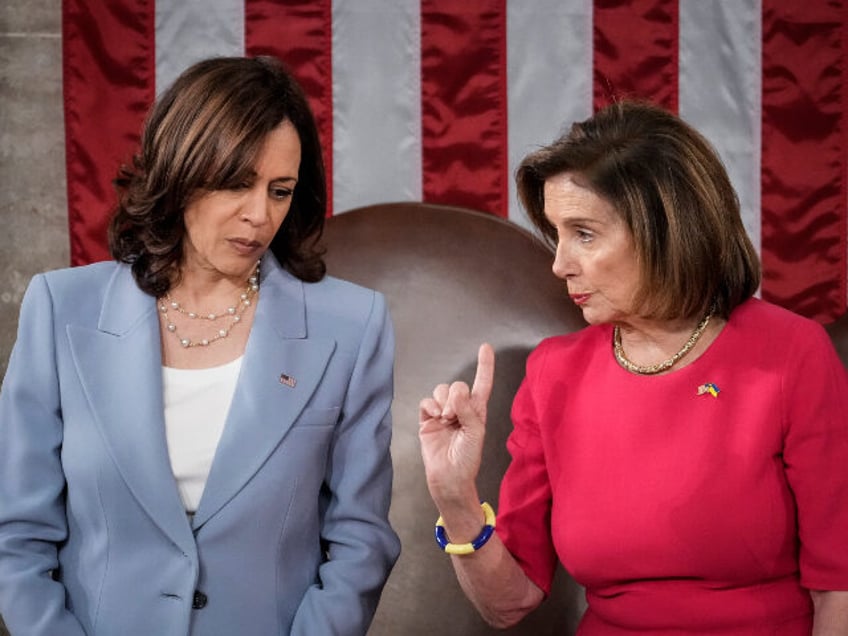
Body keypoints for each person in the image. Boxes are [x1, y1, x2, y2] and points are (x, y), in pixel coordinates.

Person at [0, 56, 399, 636]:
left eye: (280, 190)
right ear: (180, 171)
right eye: (237, 182)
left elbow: (359, 541)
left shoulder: (353, 325)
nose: (260, 215)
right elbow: (16, 534)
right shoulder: (61, 310)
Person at [419, 100, 848, 634]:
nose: (558, 264)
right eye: (558, 233)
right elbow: (509, 603)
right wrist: (455, 498)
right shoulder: (553, 373)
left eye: (585, 234)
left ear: (664, 229)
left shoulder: (792, 352)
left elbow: (839, 588)